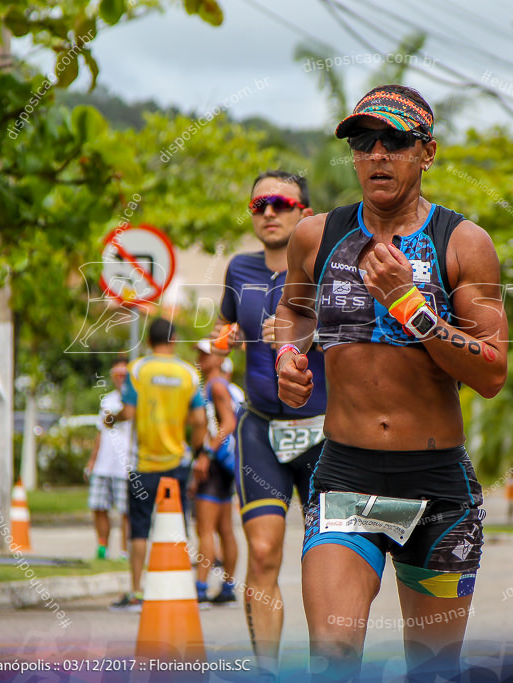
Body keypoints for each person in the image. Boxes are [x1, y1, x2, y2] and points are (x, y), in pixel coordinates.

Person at [275, 85, 509, 679]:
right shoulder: (315, 236)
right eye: (363, 142)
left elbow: (491, 371)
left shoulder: (462, 242)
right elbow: (295, 312)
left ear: (425, 152)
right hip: (346, 478)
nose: (377, 154)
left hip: (437, 488)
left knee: (433, 670)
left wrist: (411, 304)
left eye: (395, 141)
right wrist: (288, 357)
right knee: (331, 656)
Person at [211, 169, 325, 675]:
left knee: (329, 562)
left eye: (281, 203)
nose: (270, 212)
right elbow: (225, 328)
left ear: (306, 212)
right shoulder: (239, 269)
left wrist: (311, 333)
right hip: (258, 427)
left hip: (326, 430)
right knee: (261, 554)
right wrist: (220, 343)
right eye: (259, 205)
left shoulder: (332, 268)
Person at [106, 318, 207, 611]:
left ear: (149, 341)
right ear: (173, 340)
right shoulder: (188, 373)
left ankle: (136, 592)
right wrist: (199, 452)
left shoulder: (138, 370)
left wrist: (110, 419)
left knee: (139, 530)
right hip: (177, 464)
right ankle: (179, 589)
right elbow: (200, 420)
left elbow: (128, 411)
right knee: (178, 525)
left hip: (143, 465)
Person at [191, 339, 239, 605]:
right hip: (222, 465)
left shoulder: (216, 385)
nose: (201, 358)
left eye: (206, 354)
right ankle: (228, 587)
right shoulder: (214, 384)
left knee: (206, 529)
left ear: (219, 357)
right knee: (223, 529)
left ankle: (200, 588)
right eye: (199, 353)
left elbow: (229, 422)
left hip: (214, 464)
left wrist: (206, 454)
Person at [85, 357, 131, 560]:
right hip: (105, 464)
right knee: (98, 506)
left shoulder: (135, 399)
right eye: (116, 375)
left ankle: (125, 551)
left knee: (126, 511)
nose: (120, 378)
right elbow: (100, 432)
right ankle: (102, 548)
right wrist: (92, 461)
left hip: (126, 465)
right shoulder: (107, 400)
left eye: (124, 374)